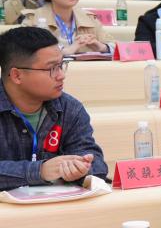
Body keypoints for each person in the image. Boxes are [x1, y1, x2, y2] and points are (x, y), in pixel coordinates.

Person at [0, 26, 108, 191]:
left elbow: (97, 165)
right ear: (17, 75)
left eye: (61, 65)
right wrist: (39, 171)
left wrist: (79, 169)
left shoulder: (69, 108)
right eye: (51, 68)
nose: (61, 75)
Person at [19, 0, 112, 56]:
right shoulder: (33, 19)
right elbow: (23, 51)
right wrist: (65, 51)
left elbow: (115, 46)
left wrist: (103, 47)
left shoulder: (88, 19)